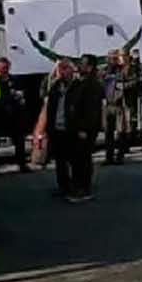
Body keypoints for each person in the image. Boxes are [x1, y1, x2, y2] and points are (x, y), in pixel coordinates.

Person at [43, 54, 106, 203]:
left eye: (65, 68)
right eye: (60, 68)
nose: (62, 71)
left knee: (81, 159)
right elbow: (51, 105)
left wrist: (84, 128)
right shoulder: (57, 86)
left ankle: (83, 189)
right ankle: (65, 186)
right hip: (59, 128)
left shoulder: (87, 85)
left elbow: (90, 110)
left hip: (79, 129)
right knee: (62, 160)